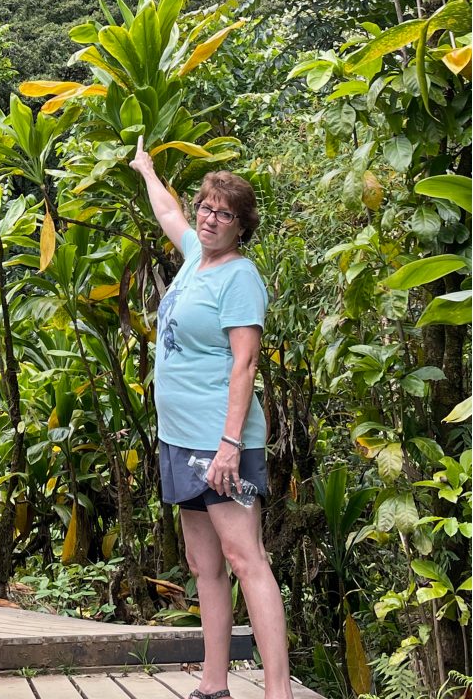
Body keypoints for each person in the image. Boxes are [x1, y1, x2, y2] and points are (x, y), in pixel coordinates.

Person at [130, 136, 293, 699]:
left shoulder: (239, 277)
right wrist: (145, 168)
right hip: (179, 439)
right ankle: (213, 683)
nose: (209, 218)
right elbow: (168, 211)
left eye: (224, 214)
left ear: (241, 227)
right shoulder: (195, 257)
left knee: (246, 558)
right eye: (206, 207)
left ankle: (277, 691)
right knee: (204, 565)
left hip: (220, 441)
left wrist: (229, 445)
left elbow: (245, 364)